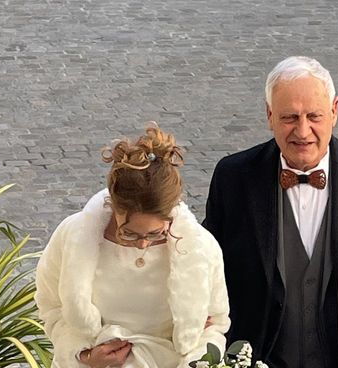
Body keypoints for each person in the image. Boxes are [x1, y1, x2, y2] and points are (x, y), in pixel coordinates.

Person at [203, 56, 338, 368]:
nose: (303, 131)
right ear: (269, 115)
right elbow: (206, 273)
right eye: (290, 117)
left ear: (334, 111)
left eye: (314, 116)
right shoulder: (233, 178)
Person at [36, 124, 230, 368]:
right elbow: (51, 307)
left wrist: (196, 361)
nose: (142, 244)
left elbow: (216, 323)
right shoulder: (71, 237)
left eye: (155, 234)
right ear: (114, 207)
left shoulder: (201, 248)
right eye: (128, 233)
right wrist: (84, 357)